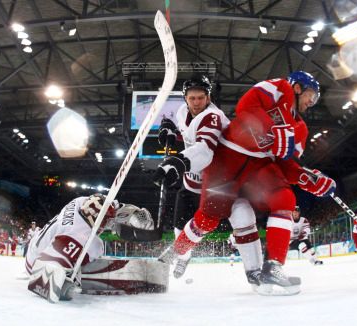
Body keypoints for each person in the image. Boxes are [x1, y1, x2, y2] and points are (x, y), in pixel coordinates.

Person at [159, 71, 335, 295]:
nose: (312, 102)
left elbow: (286, 164)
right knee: (208, 219)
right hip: (227, 158)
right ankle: (176, 251)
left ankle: (272, 267)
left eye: (316, 99)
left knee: (285, 198)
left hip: (259, 167)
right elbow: (246, 106)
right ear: (298, 87)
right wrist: (273, 128)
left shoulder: (300, 130)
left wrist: (306, 178)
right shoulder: (280, 87)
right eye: (311, 95)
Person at [153, 74, 230, 278]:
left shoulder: (214, 117)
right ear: (185, 99)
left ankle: (180, 250)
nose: (196, 103)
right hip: (191, 179)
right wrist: (170, 131)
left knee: (207, 221)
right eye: (192, 98)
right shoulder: (181, 112)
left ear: (208, 97)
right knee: (179, 223)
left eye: (201, 98)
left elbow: (204, 148)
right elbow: (188, 135)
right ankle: (184, 256)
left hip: (215, 181)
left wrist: (178, 161)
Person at [25, 194, 168, 303]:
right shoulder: (80, 237)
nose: (109, 225)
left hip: (38, 241)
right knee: (93, 251)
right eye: (106, 223)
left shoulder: (81, 201)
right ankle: (71, 268)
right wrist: (63, 284)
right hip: (34, 261)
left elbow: (113, 206)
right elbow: (41, 279)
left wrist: (136, 215)